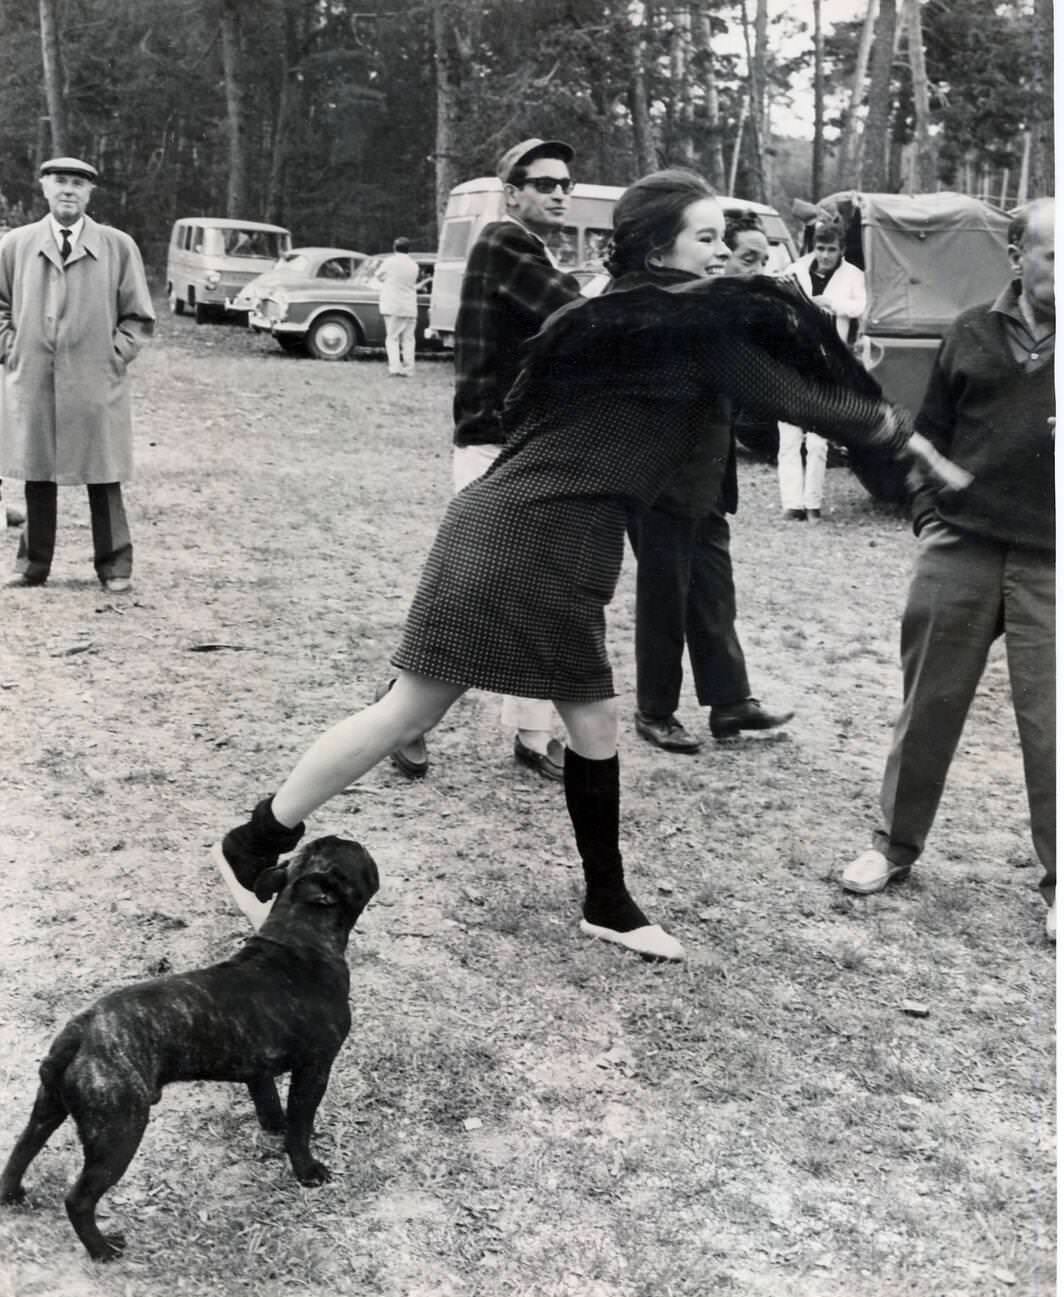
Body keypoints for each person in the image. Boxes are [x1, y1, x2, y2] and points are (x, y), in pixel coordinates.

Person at [212, 167, 952, 965]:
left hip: (512, 529)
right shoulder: (681, 330)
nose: (721, 254)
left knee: (449, 714)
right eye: (704, 238)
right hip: (532, 541)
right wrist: (905, 436)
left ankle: (262, 840)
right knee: (483, 717)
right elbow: (799, 397)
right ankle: (599, 899)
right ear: (658, 246)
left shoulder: (622, 318)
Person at [841, 198, 1056, 943]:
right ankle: (893, 846)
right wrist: (929, 515)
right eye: (1053, 255)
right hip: (960, 548)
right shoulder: (968, 332)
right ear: (1018, 257)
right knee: (928, 703)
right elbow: (928, 436)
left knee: (1051, 725)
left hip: (1050, 564)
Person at [392, 138, 583, 783]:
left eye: (565, 182)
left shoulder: (520, 248)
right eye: (545, 182)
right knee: (478, 594)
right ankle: (404, 721)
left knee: (533, 591)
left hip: (516, 442)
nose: (560, 191)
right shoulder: (506, 245)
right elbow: (578, 314)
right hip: (495, 446)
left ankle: (531, 733)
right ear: (514, 193)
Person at [629, 211, 793, 753]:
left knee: (715, 594)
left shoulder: (716, 305)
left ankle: (730, 702)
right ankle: (654, 709)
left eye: (748, 255)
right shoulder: (661, 308)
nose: (728, 257)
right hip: (659, 482)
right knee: (664, 598)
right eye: (718, 244)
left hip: (708, 481)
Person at [0, 157, 154, 591]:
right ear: (45, 189)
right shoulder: (16, 244)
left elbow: (139, 317)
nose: (68, 190)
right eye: (60, 182)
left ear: (89, 194)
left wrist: (114, 355)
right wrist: (10, 347)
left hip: (94, 379)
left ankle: (115, 566)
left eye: (78, 184)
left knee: (103, 472)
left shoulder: (117, 246)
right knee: (37, 471)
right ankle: (32, 566)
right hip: (32, 376)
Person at [776, 216, 866, 521]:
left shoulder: (854, 276)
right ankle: (792, 503)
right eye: (820, 248)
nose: (824, 255)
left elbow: (860, 307)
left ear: (842, 250)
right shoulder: (795, 270)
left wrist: (830, 302)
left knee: (817, 440)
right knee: (788, 437)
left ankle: (812, 502)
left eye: (831, 249)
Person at [377, 236, 420, 377]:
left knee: (392, 338)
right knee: (408, 339)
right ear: (409, 249)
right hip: (410, 305)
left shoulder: (390, 262)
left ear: (394, 248)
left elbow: (379, 276)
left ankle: (395, 367)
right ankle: (409, 369)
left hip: (393, 305)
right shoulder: (414, 265)